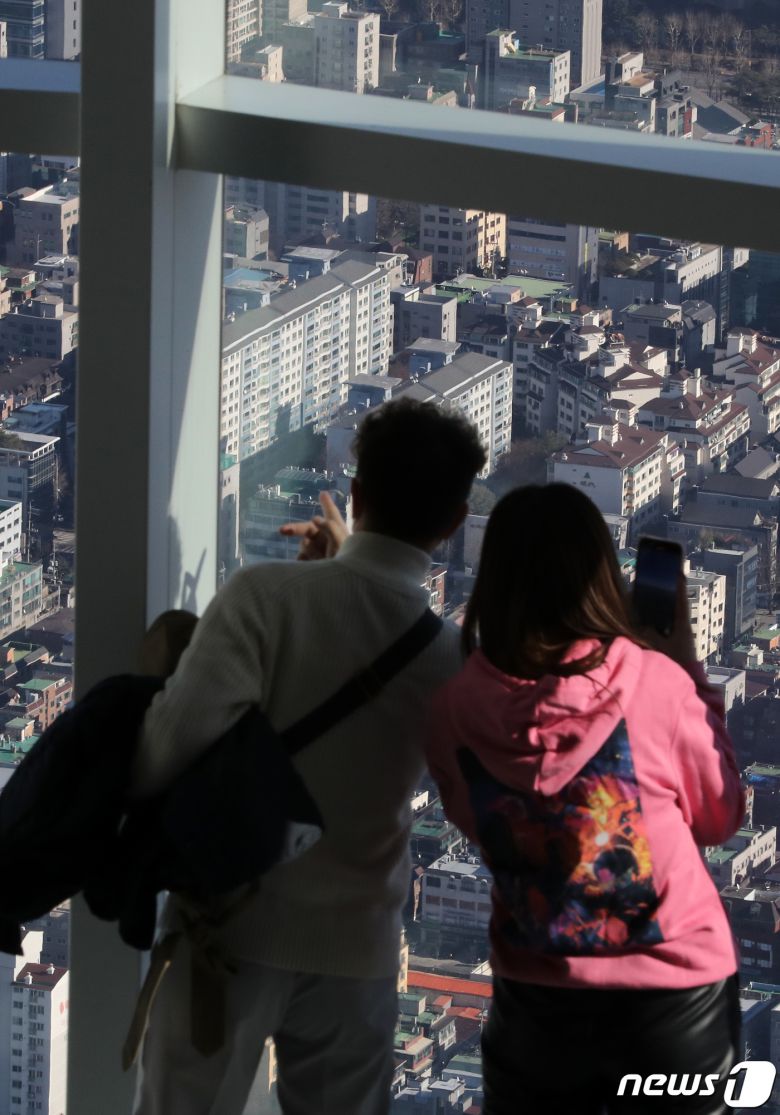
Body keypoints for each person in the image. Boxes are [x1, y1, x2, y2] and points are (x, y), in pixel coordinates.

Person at [131, 398, 487, 1115]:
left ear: (355, 491)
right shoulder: (452, 659)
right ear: (453, 522)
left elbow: (165, 750)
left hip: (226, 929)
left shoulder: (263, 598)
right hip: (356, 951)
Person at [425, 484, 745, 1115]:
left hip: (537, 1001)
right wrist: (687, 671)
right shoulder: (653, 682)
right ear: (602, 578)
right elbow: (721, 815)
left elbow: (477, 824)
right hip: (674, 996)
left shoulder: (454, 709)